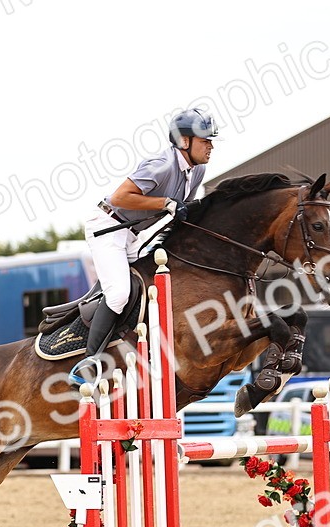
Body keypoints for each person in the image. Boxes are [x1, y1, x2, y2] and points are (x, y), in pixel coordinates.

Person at [68, 107, 219, 385]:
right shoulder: (161, 165)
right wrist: (164, 203)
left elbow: (182, 210)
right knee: (118, 294)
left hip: (133, 234)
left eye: (211, 141)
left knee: (145, 288)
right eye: (205, 140)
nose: (210, 147)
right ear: (184, 141)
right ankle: (88, 363)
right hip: (109, 227)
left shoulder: (197, 171)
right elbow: (121, 197)